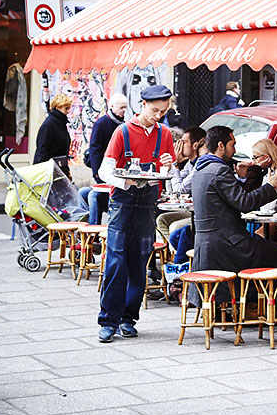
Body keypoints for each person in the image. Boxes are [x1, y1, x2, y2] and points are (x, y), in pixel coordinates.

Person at [96, 83, 176, 342]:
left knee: (139, 261)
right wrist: (125, 182)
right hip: (122, 200)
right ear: (142, 105)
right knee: (116, 260)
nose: (158, 116)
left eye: (162, 112)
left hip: (147, 202)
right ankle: (108, 320)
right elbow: (104, 171)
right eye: (155, 110)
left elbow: (170, 172)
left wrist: (169, 165)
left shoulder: (165, 134)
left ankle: (129, 319)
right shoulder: (122, 132)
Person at [190, 125, 277, 274]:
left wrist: (250, 173)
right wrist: (272, 186)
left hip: (207, 245)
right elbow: (244, 202)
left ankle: (255, 293)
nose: (235, 151)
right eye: (233, 145)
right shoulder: (220, 170)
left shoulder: (200, 169)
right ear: (220, 146)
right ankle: (268, 296)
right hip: (227, 245)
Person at [78, 93, 128, 225]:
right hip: (103, 170)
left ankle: (93, 229)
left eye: (125, 108)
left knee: (92, 195)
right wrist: (97, 173)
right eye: (121, 107)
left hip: (117, 172)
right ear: (112, 106)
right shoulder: (102, 123)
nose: (124, 110)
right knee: (87, 193)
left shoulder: (123, 124)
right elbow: (95, 150)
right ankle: (90, 229)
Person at [33, 93, 74, 176]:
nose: (68, 111)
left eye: (68, 108)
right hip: (49, 170)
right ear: (58, 107)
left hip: (57, 168)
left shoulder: (60, 123)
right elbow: (42, 150)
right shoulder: (50, 124)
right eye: (66, 108)